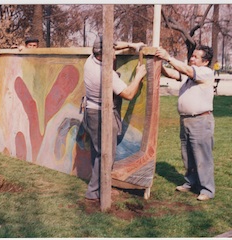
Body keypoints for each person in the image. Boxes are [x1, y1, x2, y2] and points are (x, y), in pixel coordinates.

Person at [82, 34, 147, 201]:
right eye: (111, 51)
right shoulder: (104, 74)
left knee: (97, 153)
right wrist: (139, 75)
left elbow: (115, 45)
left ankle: (96, 189)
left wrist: (133, 45)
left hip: (90, 111)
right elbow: (128, 94)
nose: (114, 52)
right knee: (106, 155)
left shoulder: (91, 59)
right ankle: (95, 192)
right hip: (100, 115)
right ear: (102, 54)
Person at [155, 45, 215, 201]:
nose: (191, 58)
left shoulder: (206, 72)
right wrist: (158, 63)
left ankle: (207, 189)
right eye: (192, 56)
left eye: (196, 57)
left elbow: (187, 70)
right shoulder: (190, 74)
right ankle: (191, 182)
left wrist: (168, 57)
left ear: (206, 61)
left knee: (202, 156)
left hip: (200, 120)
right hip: (186, 120)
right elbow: (172, 73)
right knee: (187, 154)